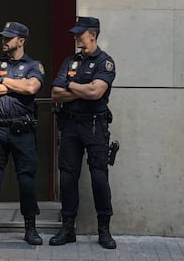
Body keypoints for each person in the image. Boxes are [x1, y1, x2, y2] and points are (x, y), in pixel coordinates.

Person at [0, 21, 45, 246]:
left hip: (22, 131)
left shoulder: (34, 65)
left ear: (21, 41)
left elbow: (32, 88)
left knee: (26, 182)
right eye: (3, 37)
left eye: (9, 38)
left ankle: (30, 228)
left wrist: (1, 81)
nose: (4, 41)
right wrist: (14, 84)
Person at [49, 16, 117, 249]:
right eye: (75, 33)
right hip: (70, 126)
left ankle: (104, 230)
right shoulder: (70, 61)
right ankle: (68, 228)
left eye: (80, 33)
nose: (76, 37)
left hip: (95, 126)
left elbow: (96, 93)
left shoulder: (104, 62)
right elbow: (55, 94)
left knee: (99, 177)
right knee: (67, 177)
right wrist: (82, 89)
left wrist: (70, 85)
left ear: (93, 35)